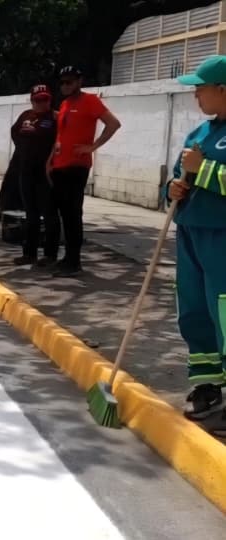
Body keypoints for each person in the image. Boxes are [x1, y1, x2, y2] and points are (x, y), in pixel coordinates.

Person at [166, 55, 226, 431]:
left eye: (200, 89)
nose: (196, 96)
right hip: (190, 233)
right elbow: (178, 176)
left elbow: (206, 173)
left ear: (222, 90)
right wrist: (172, 187)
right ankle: (206, 384)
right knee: (194, 311)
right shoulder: (199, 134)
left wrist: (202, 169)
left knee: (225, 314)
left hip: (222, 238)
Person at [47, 65, 122, 277]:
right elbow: (61, 135)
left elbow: (113, 124)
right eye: (62, 82)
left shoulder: (90, 101)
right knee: (59, 212)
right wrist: (50, 159)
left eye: (69, 81)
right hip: (59, 165)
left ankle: (73, 261)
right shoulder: (64, 104)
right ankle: (65, 258)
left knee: (72, 214)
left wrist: (93, 146)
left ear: (79, 81)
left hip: (76, 166)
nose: (65, 86)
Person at [12, 84, 60, 266]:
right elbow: (15, 134)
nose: (42, 103)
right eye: (38, 100)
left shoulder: (55, 118)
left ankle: (50, 255)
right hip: (26, 171)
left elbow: (59, 142)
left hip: (46, 172)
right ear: (32, 100)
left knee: (49, 214)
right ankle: (29, 253)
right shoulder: (25, 116)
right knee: (30, 214)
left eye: (45, 100)